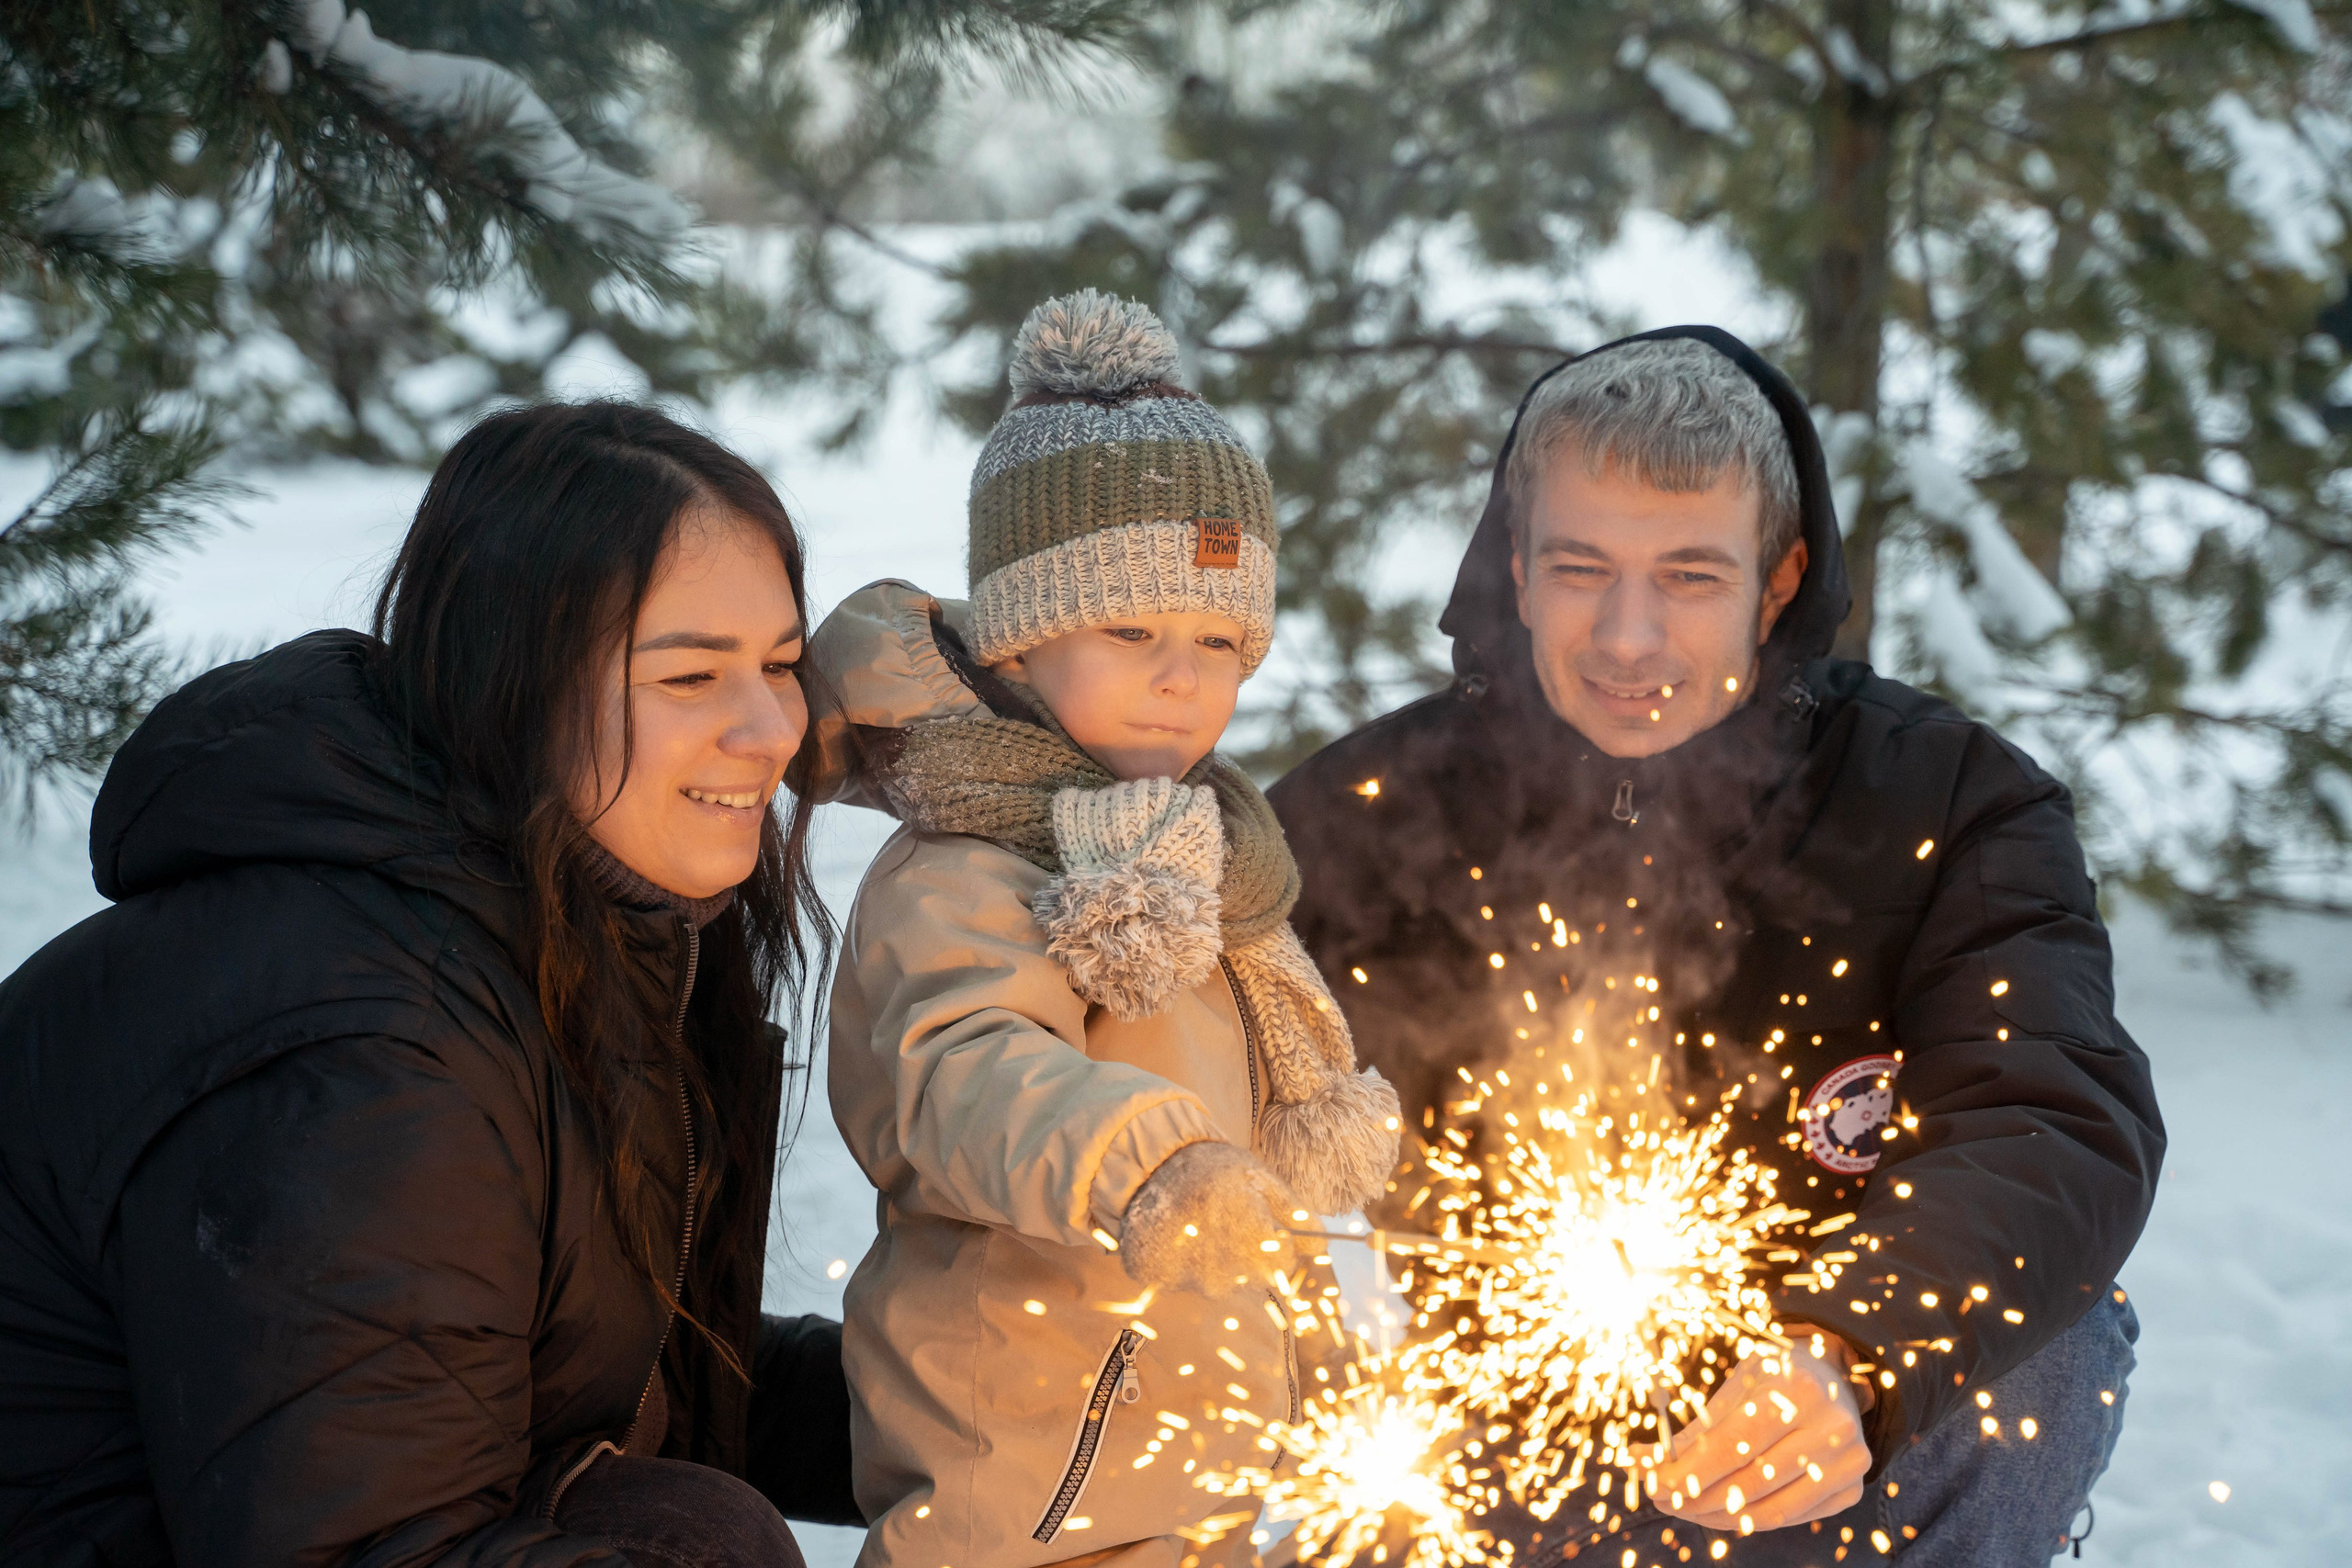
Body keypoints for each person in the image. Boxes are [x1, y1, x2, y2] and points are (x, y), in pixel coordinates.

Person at [1271, 330, 2165, 1565]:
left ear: (1779, 576)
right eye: (1583, 567)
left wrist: (1850, 1345)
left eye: (1689, 575)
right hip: (1510, 1430)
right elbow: (1174, 1075)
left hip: (1835, 1431)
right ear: (1517, 568)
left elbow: (2051, 1115)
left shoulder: (1951, 804)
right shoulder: (1358, 815)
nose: (1628, 638)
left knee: (2045, 1346)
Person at [0, 403, 863, 1566]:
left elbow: (593, 1368)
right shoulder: (370, 1044)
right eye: (690, 675)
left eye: (780, 663)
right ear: (514, 679)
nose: (768, 728)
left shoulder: (562, 915)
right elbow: (361, 1546)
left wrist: (983, 1400)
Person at [804, 291, 1402, 1568]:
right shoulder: (969, 863)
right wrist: (1144, 1164)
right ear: (1023, 638)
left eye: (1217, 640)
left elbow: (1229, 1106)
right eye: (1131, 629)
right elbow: (953, 1073)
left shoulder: (1200, 850)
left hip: (1185, 1477)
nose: (1181, 674)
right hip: (1019, 1480)